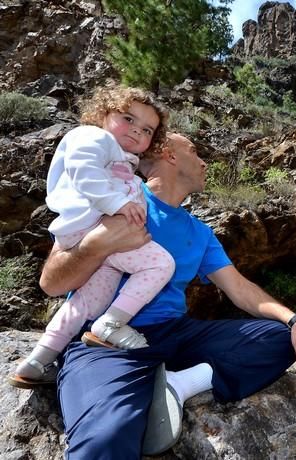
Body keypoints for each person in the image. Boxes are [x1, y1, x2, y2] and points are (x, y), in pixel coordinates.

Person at [39, 132, 296, 458]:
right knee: (105, 441)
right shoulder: (114, 197)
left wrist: (292, 318)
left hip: (175, 334)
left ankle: (179, 384)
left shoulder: (199, 231)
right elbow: (51, 282)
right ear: (169, 155)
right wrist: (95, 244)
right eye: (195, 151)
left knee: (279, 338)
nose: (204, 162)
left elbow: (239, 288)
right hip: (102, 341)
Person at [9, 86, 174, 389]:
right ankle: (112, 325)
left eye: (147, 129)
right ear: (102, 114)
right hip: (92, 225)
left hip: (94, 235)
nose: (136, 131)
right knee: (160, 264)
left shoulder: (122, 159)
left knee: (87, 302)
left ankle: (38, 359)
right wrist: (119, 205)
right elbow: (84, 172)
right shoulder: (92, 137)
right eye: (128, 118)